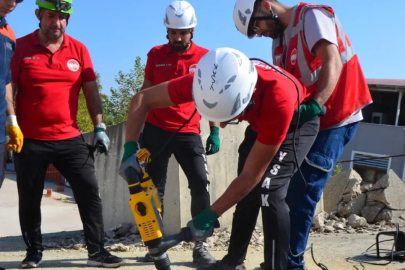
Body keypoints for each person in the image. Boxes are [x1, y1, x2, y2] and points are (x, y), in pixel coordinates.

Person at [119, 47, 319, 270]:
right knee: (245, 196)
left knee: (269, 190)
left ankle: (278, 267)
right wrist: (129, 148)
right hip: (260, 119)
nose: (222, 126)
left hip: (296, 121)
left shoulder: (279, 98)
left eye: (229, 118)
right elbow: (142, 99)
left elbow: (252, 175)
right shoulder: (205, 81)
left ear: (246, 98)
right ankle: (233, 262)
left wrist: (208, 215)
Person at [232, 1, 373, 269]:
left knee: (304, 190)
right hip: (310, 121)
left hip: (336, 117)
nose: (258, 33)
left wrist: (315, 103)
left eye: (256, 25)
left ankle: (291, 264)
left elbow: (332, 61)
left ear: (265, 6)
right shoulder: (279, 41)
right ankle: (279, 261)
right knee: (278, 191)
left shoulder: (312, 17)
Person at [7, 0, 123, 268]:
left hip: (70, 138)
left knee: (89, 191)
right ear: (38, 15)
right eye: (51, 16)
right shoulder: (20, 47)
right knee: (30, 197)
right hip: (30, 139)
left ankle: (96, 252)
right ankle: (33, 252)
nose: (56, 23)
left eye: (62, 17)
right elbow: (9, 87)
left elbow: (91, 92)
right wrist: (11, 121)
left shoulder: (79, 49)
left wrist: (100, 127)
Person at [139, 1, 220, 266]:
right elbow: (145, 95)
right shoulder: (155, 54)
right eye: (173, 32)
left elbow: (212, 98)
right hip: (155, 132)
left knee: (200, 185)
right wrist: (137, 134)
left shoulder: (206, 57)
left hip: (189, 132)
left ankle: (201, 245)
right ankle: (155, 246)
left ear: (192, 29)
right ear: (167, 31)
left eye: (182, 32)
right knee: (152, 191)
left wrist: (214, 131)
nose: (177, 37)